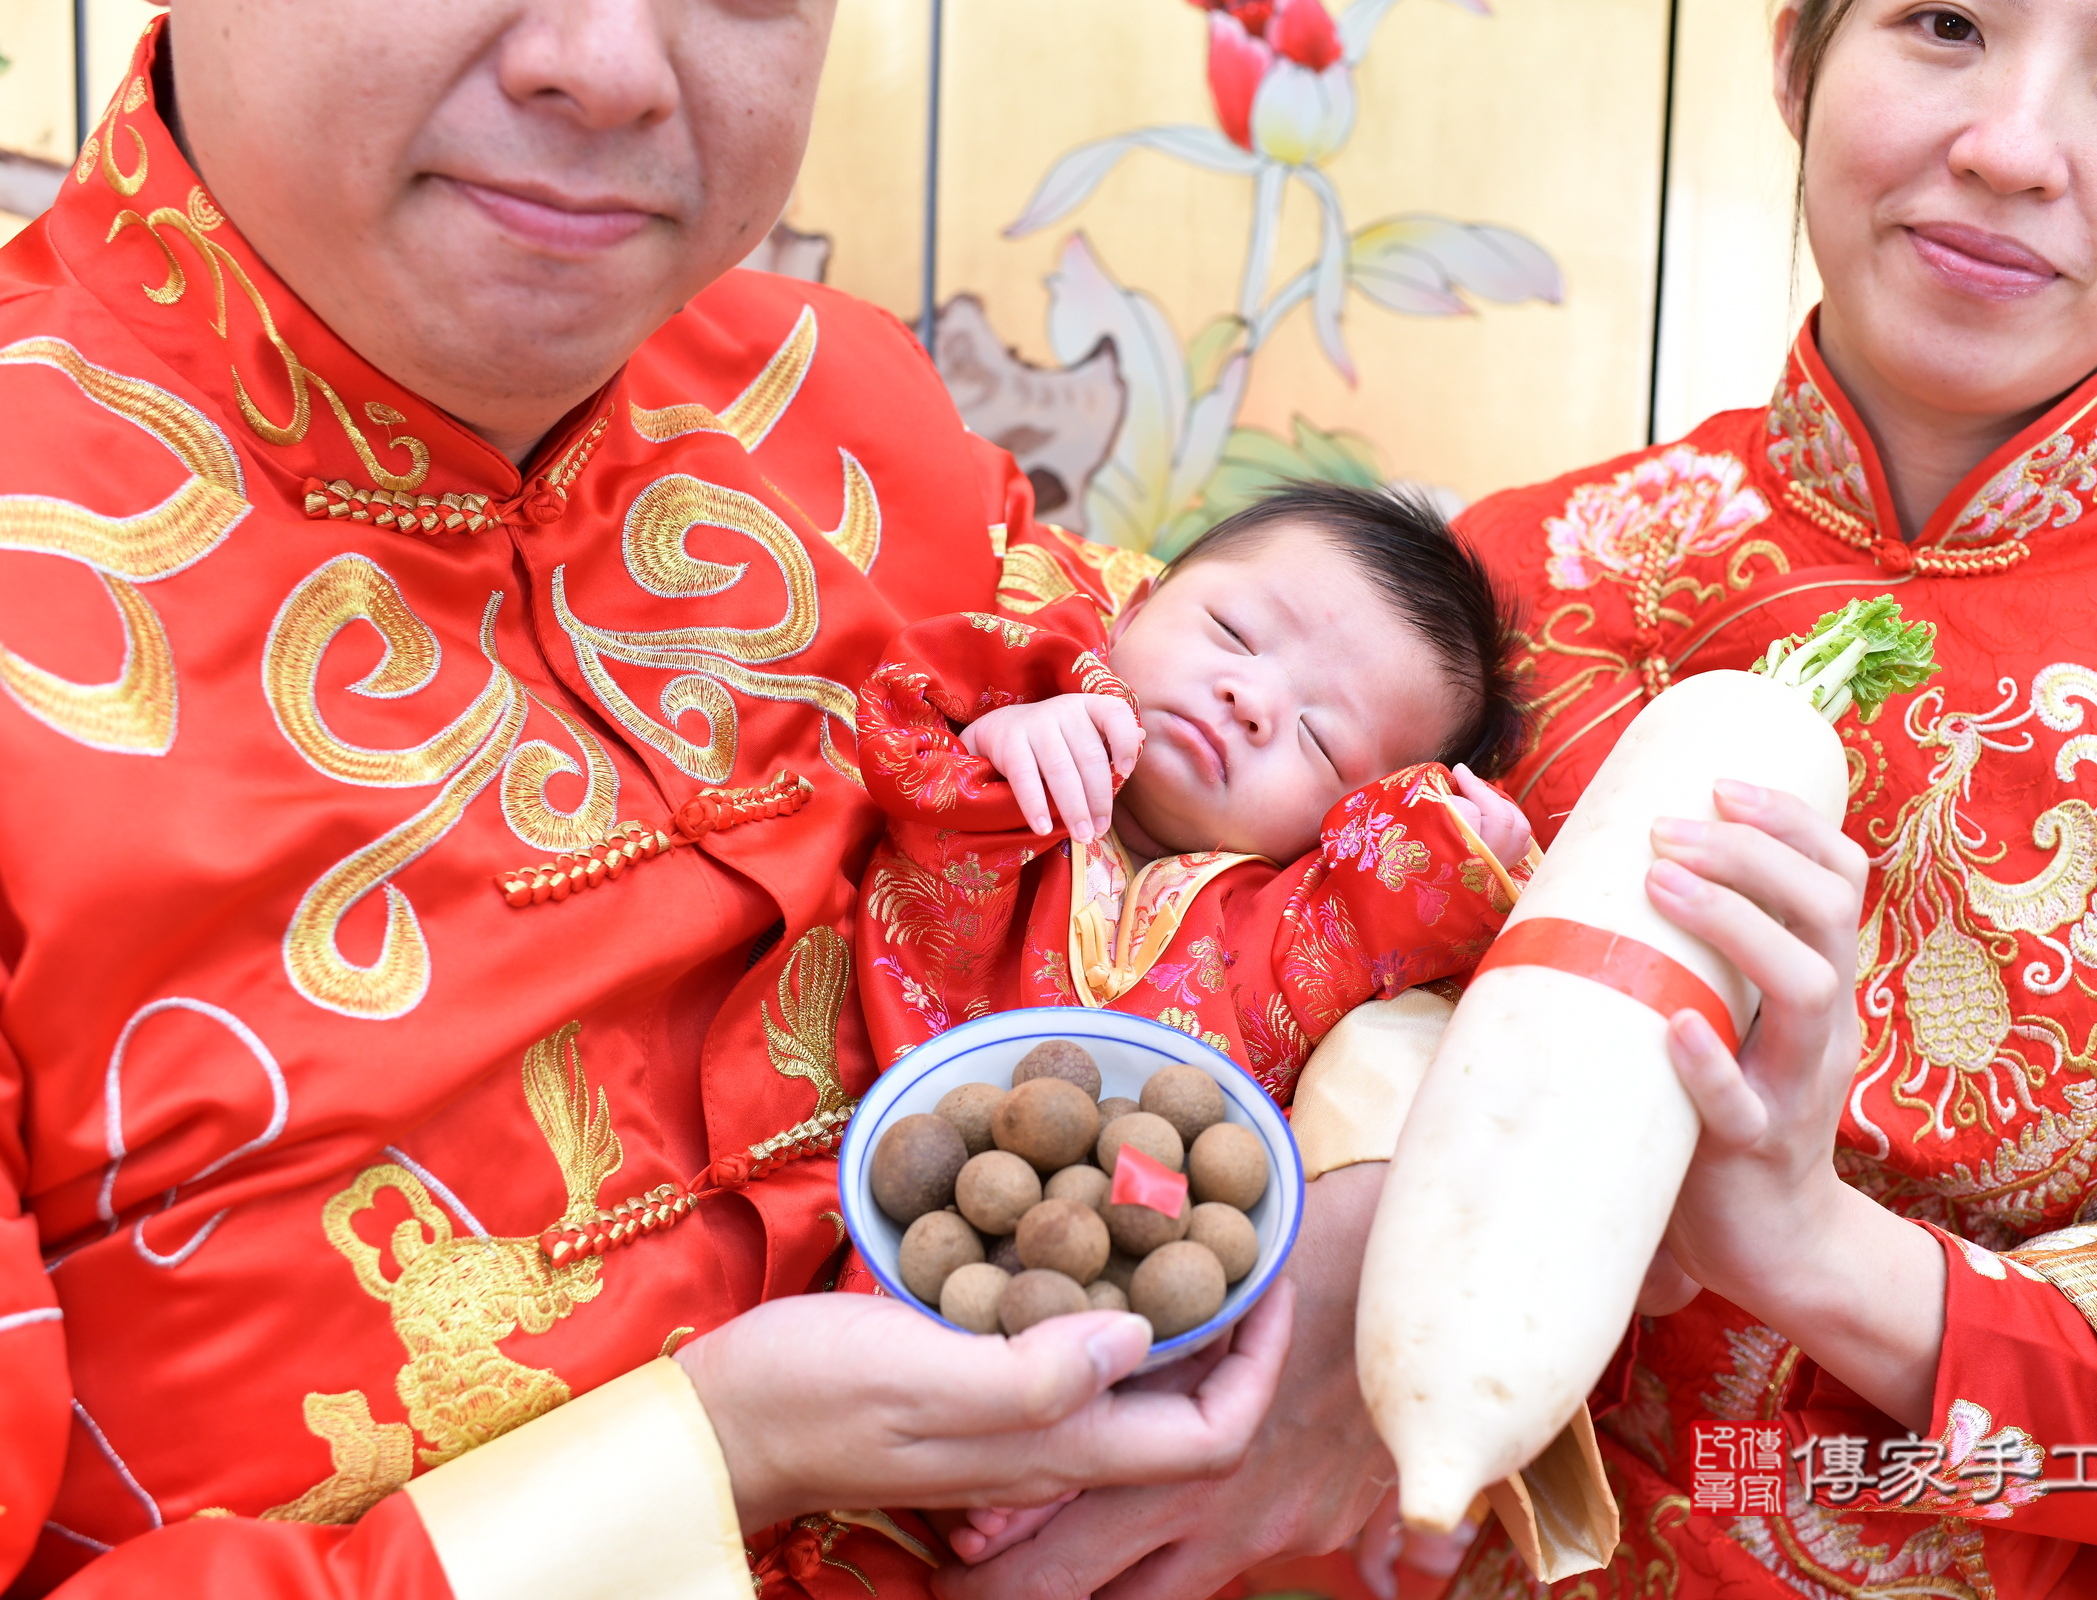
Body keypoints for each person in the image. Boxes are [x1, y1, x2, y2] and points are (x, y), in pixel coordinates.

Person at [937, 0, 2097, 1595]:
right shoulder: (1505, 590)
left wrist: (1817, 1254)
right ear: (1796, 57)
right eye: (1943, 23)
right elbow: (1147, 950)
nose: (2009, 145)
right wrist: (1346, 1255)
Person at [0, 4, 1300, 1596]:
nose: (608, 66)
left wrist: (1365, 1211)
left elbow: (1335, 785)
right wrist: (712, 1459)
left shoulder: (845, 406)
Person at [852, 484, 1534, 1086]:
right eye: (1233, 634)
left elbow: (1371, 920)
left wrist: (1455, 850)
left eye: (1320, 739)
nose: (1252, 700)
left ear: (1344, 822)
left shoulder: (1278, 924)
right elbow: (909, 766)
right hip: (884, 1087)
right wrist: (997, 739)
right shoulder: (1036, 699)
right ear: (1133, 613)